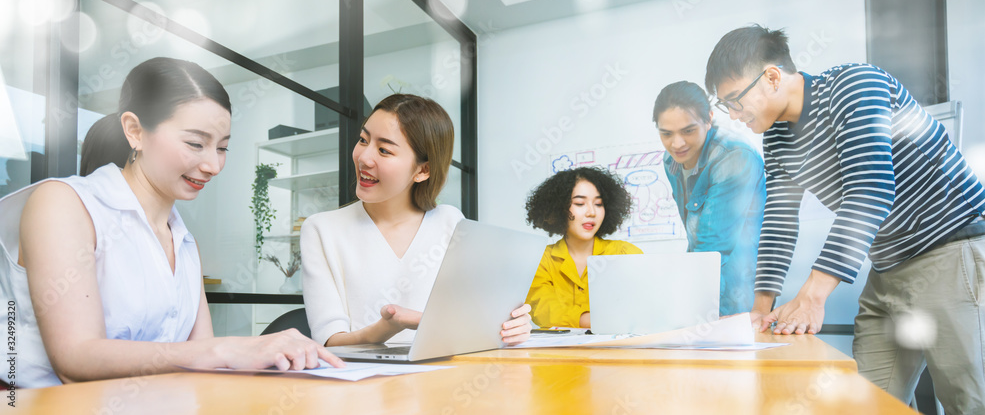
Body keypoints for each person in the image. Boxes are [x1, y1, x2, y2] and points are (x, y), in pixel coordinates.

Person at [704, 24, 985, 412]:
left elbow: (871, 190)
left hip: (953, 249)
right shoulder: (776, 138)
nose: (733, 115)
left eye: (735, 101)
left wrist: (812, 296)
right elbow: (779, 221)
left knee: (971, 402)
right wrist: (760, 311)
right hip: (888, 267)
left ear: (772, 77)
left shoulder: (853, 85)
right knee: (867, 402)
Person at [0, 57, 342, 389]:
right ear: (135, 131)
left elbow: (201, 365)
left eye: (222, 148)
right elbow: (75, 360)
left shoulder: (182, 238)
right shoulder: (62, 203)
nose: (213, 165)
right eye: (196, 143)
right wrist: (224, 349)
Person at [301, 94, 533, 346]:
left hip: (444, 376)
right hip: (362, 382)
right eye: (363, 140)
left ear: (423, 170)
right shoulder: (321, 229)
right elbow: (329, 342)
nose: (364, 158)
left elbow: (476, 318)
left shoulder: (450, 222)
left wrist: (511, 326)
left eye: (384, 150)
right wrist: (387, 328)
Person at [652, 81, 765, 316]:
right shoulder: (671, 160)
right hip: (703, 284)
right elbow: (695, 235)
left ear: (709, 119)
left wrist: (682, 302)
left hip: (740, 293)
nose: (677, 143)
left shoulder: (734, 156)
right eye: (666, 134)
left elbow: (713, 244)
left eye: (688, 130)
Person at [523, 166, 642, 328]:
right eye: (580, 203)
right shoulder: (542, 259)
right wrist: (599, 320)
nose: (591, 212)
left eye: (599, 204)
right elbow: (542, 310)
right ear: (559, 208)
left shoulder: (625, 253)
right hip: (558, 353)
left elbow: (642, 305)